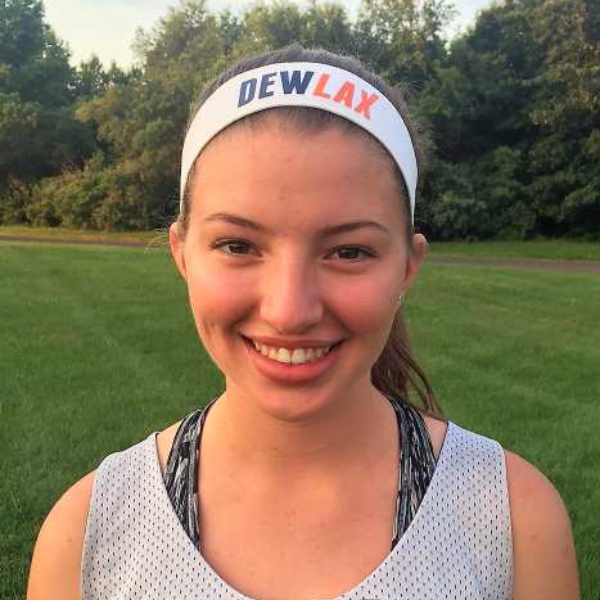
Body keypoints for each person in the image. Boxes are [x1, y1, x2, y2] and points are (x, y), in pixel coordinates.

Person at [27, 44, 580, 600]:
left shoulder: (512, 521)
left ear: (408, 267)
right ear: (183, 254)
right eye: (237, 245)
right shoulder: (89, 533)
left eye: (349, 252)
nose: (289, 311)